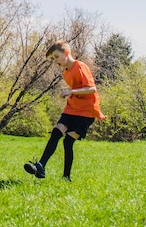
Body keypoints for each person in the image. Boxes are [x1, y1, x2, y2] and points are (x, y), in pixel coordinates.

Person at [24, 41, 106, 181]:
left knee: (68, 142)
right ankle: (40, 166)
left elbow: (92, 89)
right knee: (56, 133)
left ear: (66, 53)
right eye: (53, 58)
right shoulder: (66, 73)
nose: (55, 61)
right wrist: (69, 94)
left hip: (86, 111)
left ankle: (66, 177)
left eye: (56, 57)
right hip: (72, 107)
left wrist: (71, 91)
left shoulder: (80, 66)